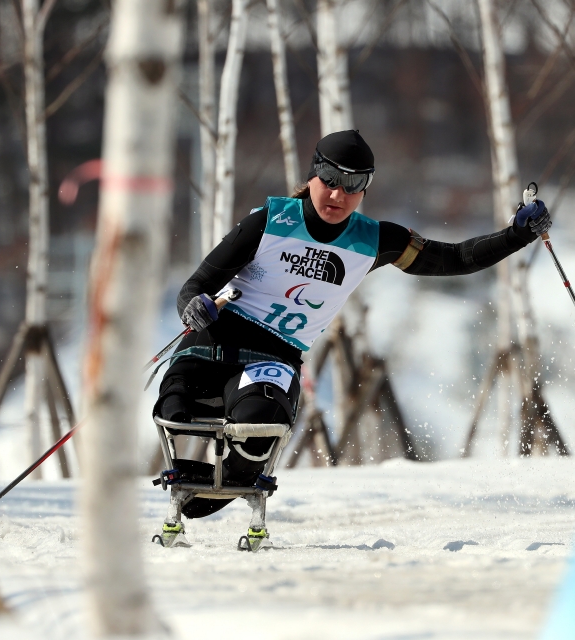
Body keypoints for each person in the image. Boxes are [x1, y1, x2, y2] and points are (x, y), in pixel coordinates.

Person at [153, 130, 551, 547]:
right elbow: (195, 285)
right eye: (330, 179)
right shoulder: (270, 221)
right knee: (175, 410)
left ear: (365, 189)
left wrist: (517, 235)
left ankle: (206, 494)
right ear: (312, 175)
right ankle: (187, 482)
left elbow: (452, 258)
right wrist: (192, 306)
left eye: (354, 184)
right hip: (213, 341)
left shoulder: (374, 240)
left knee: (258, 431)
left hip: (270, 357)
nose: (338, 194)